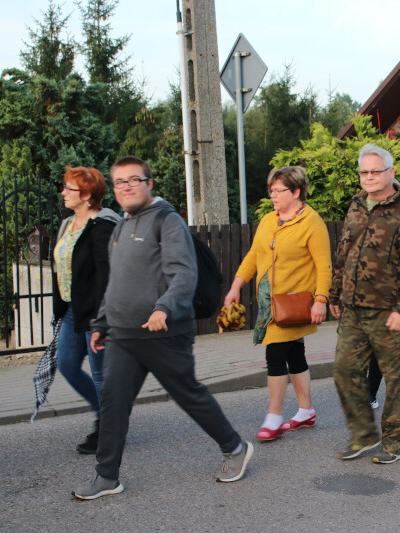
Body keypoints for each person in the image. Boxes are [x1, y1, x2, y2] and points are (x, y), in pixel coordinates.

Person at [72, 157, 252, 500]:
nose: (126, 187)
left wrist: (164, 308)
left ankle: (235, 446)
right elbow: (115, 284)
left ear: (149, 183)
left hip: (164, 332)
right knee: (113, 402)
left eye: (134, 180)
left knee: (188, 395)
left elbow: (183, 273)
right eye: (120, 182)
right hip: (123, 335)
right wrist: (102, 322)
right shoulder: (122, 226)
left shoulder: (166, 221)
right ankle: (106, 476)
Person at [329, 144, 400, 464]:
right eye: (364, 172)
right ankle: (364, 435)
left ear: (391, 172)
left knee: (396, 380)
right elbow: (343, 253)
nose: (369, 177)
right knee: (344, 370)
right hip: (352, 309)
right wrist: (335, 294)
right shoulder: (356, 205)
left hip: (389, 312)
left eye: (376, 171)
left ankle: (394, 443)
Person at [224, 166, 332, 440]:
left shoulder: (312, 222)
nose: (272, 195)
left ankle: (273, 417)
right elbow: (253, 255)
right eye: (270, 190)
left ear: (296, 192)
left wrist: (321, 299)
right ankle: (306, 411)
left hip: (292, 304)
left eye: (278, 190)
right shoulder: (268, 221)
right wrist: (236, 285)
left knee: (275, 355)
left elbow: (324, 265)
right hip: (269, 303)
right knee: (295, 354)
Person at [52, 166, 120, 454]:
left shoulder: (103, 226)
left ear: (87, 194)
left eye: (69, 188)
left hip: (95, 312)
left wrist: (102, 321)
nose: (63, 193)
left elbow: (107, 275)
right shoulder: (68, 224)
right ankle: (108, 415)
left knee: (100, 373)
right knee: (66, 364)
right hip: (71, 309)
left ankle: (108, 429)